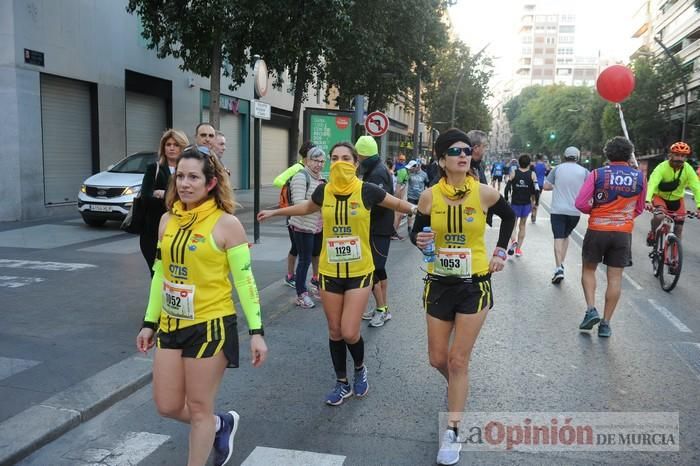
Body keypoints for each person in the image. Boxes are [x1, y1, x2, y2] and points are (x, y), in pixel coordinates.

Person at [136, 145, 268, 466]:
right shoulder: (167, 220)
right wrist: (149, 322)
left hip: (210, 327)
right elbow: (159, 275)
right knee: (166, 405)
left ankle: (207, 429)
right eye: (180, 176)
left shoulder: (227, 224)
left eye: (193, 176)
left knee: (198, 408)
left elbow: (245, 281)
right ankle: (221, 424)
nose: (184, 183)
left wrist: (256, 331)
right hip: (171, 325)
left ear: (210, 183)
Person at [257, 142, 417, 406]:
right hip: (330, 273)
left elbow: (399, 203)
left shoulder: (367, 191)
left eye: (346, 158)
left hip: (359, 272)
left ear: (355, 162)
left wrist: (421, 210)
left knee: (350, 331)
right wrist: (275, 211)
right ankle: (341, 382)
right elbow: (306, 208)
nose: (340, 161)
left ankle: (360, 368)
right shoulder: (323, 191)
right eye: (335, 157)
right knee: (334, 331)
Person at [410, 129, 515, 466]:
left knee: (458, 360)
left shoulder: (484, 193)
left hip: (475, 285)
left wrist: (500, 252)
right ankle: (458, 387)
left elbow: (510, 217)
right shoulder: (428, 197)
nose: (463, 155)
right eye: (454, 151)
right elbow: (418, 231)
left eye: (467, 150)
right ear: (441, 160)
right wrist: (420, 240)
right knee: (438, 360)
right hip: (439, 283)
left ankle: (453, 430)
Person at [575, 137, 646, 337]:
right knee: (615, 278)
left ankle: (591, 310)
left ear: (608, 154)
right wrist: (622, 216)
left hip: (597, 229)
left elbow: (580, 203)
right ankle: (606, 324)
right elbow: (639, 208)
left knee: (589, 269)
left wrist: (597, 211)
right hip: (623, 233)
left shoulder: (597, 174)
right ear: (628, 155)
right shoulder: (639, 177)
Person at [355, 136, 396, 328]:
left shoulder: (377, 173)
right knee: (379, 269)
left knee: (372, 270)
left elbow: (378, 203)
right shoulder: (377, 168)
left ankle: (382, 309)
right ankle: (383, 307)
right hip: (379, 228)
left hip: (377, 229)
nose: (358, 162)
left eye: (359, 157)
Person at [140, 129, 189, 275]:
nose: (172, 148)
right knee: (157, 274)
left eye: (176, 144)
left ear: (183, 147)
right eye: (168, 144)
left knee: (177, 276)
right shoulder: (154, 168)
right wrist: (175, 198)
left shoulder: (189, 170)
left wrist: (164, 194)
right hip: (153, 233)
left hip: (182, 232)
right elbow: (146, 198)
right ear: (163, 147)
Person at [273, 141, 320, 289]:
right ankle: (290, 276)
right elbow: (277, 181)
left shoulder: (315, 171)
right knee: (297, 249)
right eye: (314, 156)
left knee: (312, 251)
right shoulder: (298, 169)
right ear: (306, 157)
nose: (318, 160)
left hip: (312, 219)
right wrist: (291, 188)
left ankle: (314, 277)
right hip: (296, 216)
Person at [543, 146, 588, 284]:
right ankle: (561, 263)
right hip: (575, 212)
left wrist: (557, 185)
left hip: (558, 210)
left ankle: (558, 268)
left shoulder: (557, 169)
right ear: (578, 157)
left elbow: (546, 186)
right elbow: (589, 189)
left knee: (558, 237)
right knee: (566, 236)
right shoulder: (585, 171)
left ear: (565, 156)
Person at [289, 146, 326, 308]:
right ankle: (301, 294)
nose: (319, 164)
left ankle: (315, 285)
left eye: (322, 161)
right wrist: (318, 205)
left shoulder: (320, 178)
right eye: (315, 160)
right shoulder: (301, 177)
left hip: (318, 226)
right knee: (304, 261)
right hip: (302, 226)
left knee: (316, 257)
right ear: (307, 161)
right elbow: (298, 202)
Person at [645, 141, 700, 244]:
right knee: (659, 216)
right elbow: (652, 183)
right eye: (677, 155)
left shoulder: (688, 169)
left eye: (683, 156)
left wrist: (699, 206)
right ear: (670, 155)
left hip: (677, 200)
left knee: (678, 228)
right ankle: (653, 232)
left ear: (686, 158)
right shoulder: (662, 167)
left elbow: (696, 187)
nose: (680, 158)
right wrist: (647, 200)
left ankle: (673, 255)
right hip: (660, 197)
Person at [506, 154, 538, 257]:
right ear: (529, 163)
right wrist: (536, 202)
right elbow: (536, 190)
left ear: (519, 163)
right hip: (526, 204)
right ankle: (518, 250)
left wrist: (507, 198)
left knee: (513, 225)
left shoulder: (514, 173)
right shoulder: (532, 174)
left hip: (515, 203)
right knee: (522, 226)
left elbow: (507, 188)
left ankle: (513, 240)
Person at [405, 160, 429, 234]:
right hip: (411, 196)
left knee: (419, 213)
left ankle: (417, 227)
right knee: (410, 212)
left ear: (417, 166)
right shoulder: (409, 174)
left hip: (420, 197)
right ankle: (409, 227)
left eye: (412, 167)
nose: (410, 169)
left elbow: (427, 184)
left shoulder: (424, 174)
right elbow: (404, 181)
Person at [392, 155, 409, 240]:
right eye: (401, 159)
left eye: (403, 160)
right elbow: (399, 185)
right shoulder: (402, 170)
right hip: (399, 196)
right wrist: (398, 199)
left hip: (399, 196)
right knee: (398, 214)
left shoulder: (398, 169)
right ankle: (393, 232)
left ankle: (394, 232)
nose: (402, 161)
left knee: (398, 215)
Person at [531, 154, 549, 223]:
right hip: (540, 184)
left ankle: (532, 210)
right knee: (537, 199)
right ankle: (535, 215)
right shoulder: (545, 165)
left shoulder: (534, 165)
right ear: (542, 158)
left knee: (532, 199)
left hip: (533, 183)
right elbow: (547, 173)